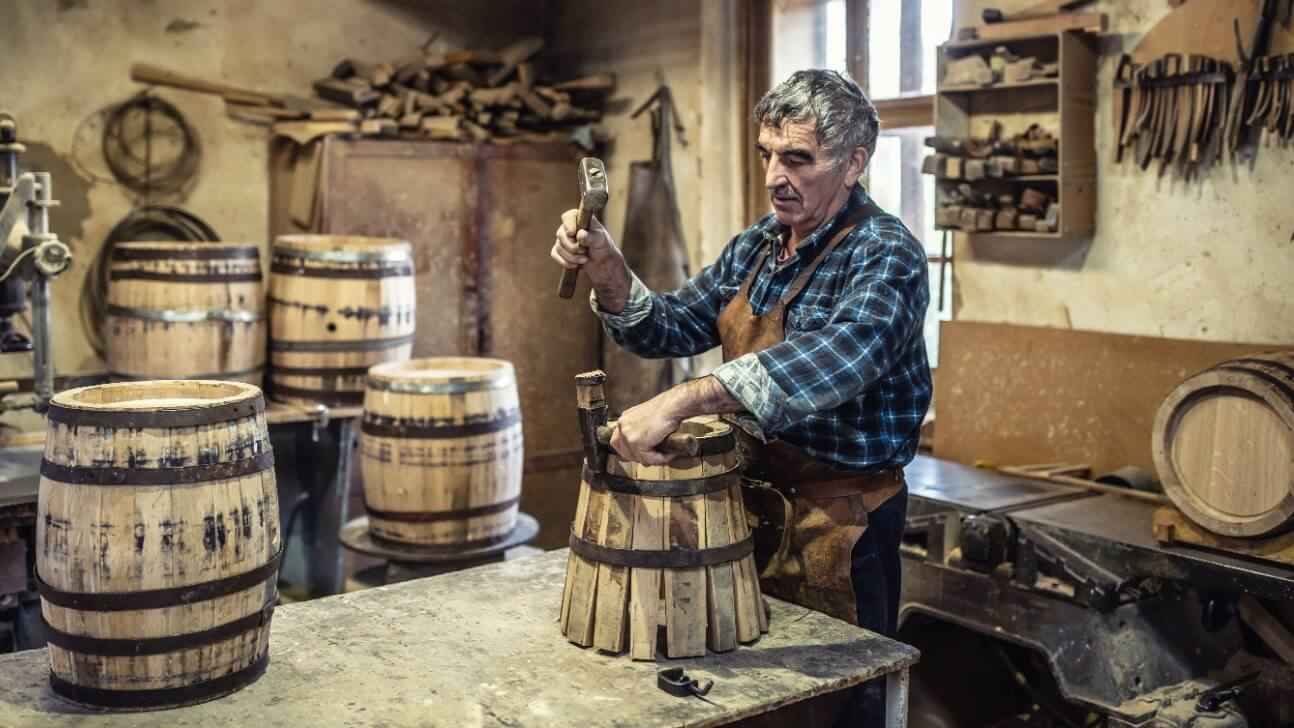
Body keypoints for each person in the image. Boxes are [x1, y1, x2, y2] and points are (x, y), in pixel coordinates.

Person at [552, 68, 931, 725]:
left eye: (797, 158)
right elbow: (669, 325)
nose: (774, 176)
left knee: (840, 702)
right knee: (751, 697)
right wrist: (610, 272)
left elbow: (832, 361)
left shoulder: (886, 255)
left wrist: (678, 402)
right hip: (749, 508)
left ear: (853, 163)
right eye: (766, 154)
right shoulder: (760, 244)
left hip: (840, 522)